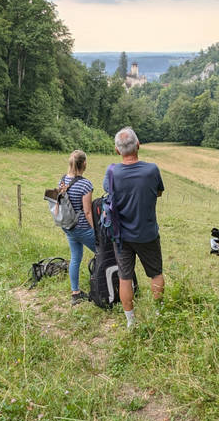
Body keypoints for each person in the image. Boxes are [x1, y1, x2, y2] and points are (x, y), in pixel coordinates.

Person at [104, 127, 164, 328]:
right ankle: (158, 313)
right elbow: (158, 193)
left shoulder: (112, 172)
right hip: (147, 234)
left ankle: (131, 322)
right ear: (138, 145)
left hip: (121, 236)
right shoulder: (152, 170)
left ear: (117, 150)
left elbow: (109, 194)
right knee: (155, 273)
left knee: (125, 276)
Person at [57, 150, 96, 304]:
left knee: (75, 257)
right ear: (84, 164)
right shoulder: (85, 184)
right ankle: (105, 284)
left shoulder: (62, 181)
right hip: (82, 228)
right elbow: (87, 211)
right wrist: (95, 230)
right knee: (104, 253)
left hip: (68, 227)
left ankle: (75, 293)